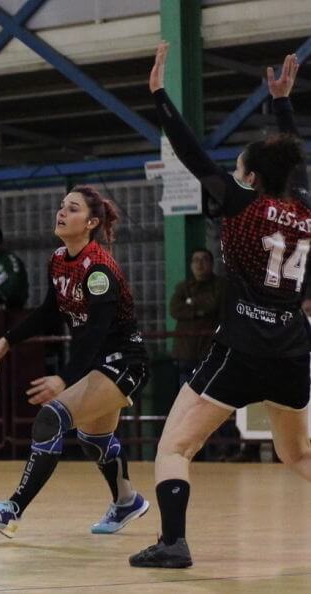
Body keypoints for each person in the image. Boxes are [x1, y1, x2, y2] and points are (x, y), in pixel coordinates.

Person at [130, 46, 311, 569]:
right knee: (297, 454)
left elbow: (190, 152)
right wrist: (283, 106)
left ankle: (173, 543)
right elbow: (293, 165)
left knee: (174, 448)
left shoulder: (242, 203)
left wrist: (160, 97)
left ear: (250, 178)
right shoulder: (302, 205)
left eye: (238, 168)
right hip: (293, 347)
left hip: (241, 348)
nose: (232, 172)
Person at [0, 185, 150, 539]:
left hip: (123, 362)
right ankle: (127, 500)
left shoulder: (99, 270)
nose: (62, 213)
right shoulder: (58, 259)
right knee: (93, 438)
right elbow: (49, 312)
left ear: (91, 222)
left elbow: (96, 333)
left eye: (72, 209)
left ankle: (11, 510)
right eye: (61, 206)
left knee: (51, 417)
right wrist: (6, 341)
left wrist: (64, 380)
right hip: (99, 364)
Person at [168, 248, 226, 387]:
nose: (199, 264)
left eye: (204, 259)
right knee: (186, 391)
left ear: (211, 263)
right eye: (196, 260)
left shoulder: (221, 285)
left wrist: (191, 302)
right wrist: (199, 311)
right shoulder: (183, 287)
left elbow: (213, 303)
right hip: (185, 352)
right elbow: (174, 309)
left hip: (210, 349)